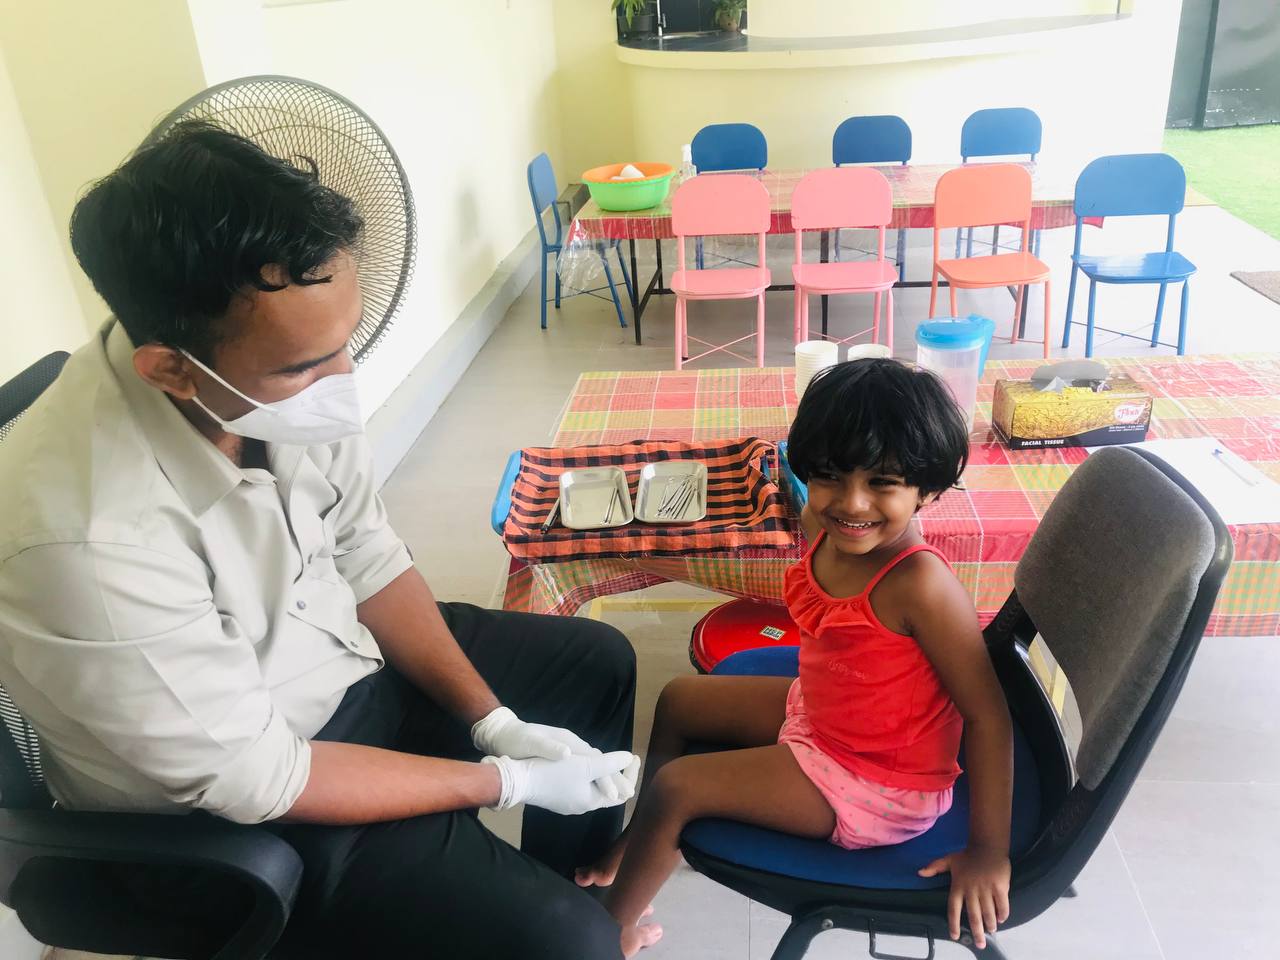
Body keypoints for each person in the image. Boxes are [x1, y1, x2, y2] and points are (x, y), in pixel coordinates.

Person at [0, 120, 640, 959]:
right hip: (233, 823)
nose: (343, 382)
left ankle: (554, 892)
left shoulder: (274, 384)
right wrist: (509, 780)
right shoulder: (82, 539)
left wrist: (493, 722)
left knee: (593, 663)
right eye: (306, 365)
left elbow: (366, 551)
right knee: (565, 945)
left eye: (347, 342)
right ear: (170, 368)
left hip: (339, 670)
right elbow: (262, 777)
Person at [576, 358, 1015, 957]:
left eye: (882, 483)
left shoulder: (921, 586)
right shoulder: (822, 520)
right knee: (679, 699)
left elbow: (988, 717)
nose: (852, 503)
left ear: (928, 490)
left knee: (678, 787)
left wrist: (989, 852)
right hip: (825, 715)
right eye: (831, 476)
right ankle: (645, 842)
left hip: (876, 781)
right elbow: (811, 516)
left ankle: (609, 932)